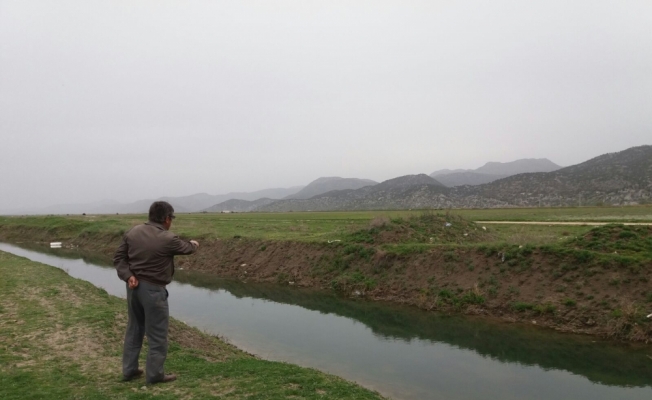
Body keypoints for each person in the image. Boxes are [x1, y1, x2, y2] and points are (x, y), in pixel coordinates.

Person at [114, 201, 199, 384]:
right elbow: (187, 248)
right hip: (153, 291)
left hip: (133, 288)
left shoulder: (132, 232)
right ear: (167, 218)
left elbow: (119, 258)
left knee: (134, 329)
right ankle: (155, 375)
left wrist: (128, 275)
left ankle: (129, 370)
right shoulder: (167, 238)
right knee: (157, 334)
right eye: (171, 218)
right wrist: (194, 244)